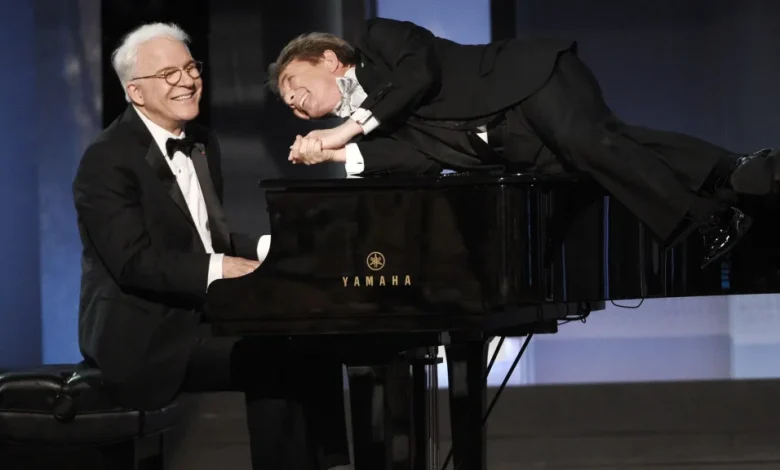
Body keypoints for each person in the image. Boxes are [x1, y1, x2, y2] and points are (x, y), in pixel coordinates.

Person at [268, 17, 778, 269]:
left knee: (587, 143)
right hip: (520, 143)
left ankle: (710, 217)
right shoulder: (376, 125)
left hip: (529, 82)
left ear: (329, 59)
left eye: (293, 83)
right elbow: (416, 155)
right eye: (288, 104)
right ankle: (730, 168)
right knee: (605, 147)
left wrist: (347, 129)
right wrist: (338, 152)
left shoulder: (377, 40)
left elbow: (420, 74)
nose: (293, 102)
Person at [73, 23, 350, 469]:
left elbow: (208, 237)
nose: (187, 81)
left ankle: (331, 463)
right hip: (146, 335)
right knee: (276, 355)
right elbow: (133, 262)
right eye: (169, 74)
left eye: (190, 68)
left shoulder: (202, 141)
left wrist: (276, 249)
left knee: (313, 332)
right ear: (135, 92)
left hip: (204, 315)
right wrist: (222, 267)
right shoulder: (106, 159)